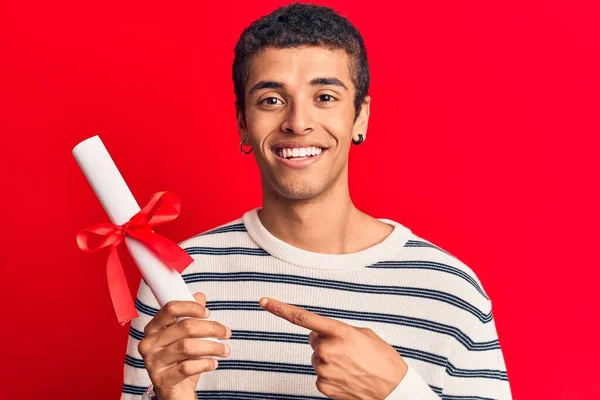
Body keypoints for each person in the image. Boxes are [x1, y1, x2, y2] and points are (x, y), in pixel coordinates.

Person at [121, 3, 512, 399]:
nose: (298, 121)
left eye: (325, 97)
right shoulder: (175, 283)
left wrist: (398, 392)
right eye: (271, 100)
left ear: (360, 116)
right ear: (243, 121)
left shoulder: (449, 292)